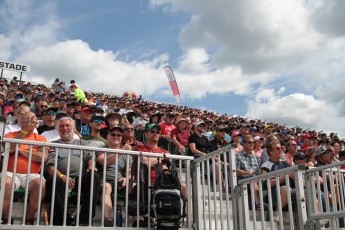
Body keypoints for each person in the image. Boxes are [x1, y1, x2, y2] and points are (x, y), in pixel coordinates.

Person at [44, 116, 101, 226]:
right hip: (61, 178)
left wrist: (91, 167)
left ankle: (85, 220)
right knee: (53, 180)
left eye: (67, 125)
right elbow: (49, 166)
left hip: (81, 179)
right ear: (57, 129)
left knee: (95, 177)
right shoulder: (53, 144)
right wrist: (61, 176)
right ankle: (64, 219)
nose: (65, 128)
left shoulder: (83, 143)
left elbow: (90, 158)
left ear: (73, 128)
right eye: (61, 126)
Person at [1, 112, 49, 225]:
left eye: (31, 119)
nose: (28, 121)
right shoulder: (10, 135)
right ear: (20, 121)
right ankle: (6, 219)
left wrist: (21, 150)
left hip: (32, 175)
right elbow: (10, 149)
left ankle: (28, 219)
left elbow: (42, 157)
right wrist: (24, 132)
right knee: (6, 182)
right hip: (10, 173)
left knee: (41, 184)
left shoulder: (40, 138)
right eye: (26, 119)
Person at [96, 126, 132, 227]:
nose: (116, 137)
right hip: (103, 180)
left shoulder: (126, 153)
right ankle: (107, 219)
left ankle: (140, 219)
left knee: (135, 185)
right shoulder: (102, 149)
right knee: (107, 187)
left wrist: (127, 177)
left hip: (119, 181)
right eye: (113, 134)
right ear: (107, 136)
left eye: (119, 135)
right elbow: (103, 162)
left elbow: (130, 171)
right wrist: (121, 151)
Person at [261, 140, 297, 221]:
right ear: (270, 151)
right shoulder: (266, 166)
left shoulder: (285, 163)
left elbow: (294, 179)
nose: (281, 150)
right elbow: (267, 184)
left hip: (289, 189)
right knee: (286, 189)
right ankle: (277, 213)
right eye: (277, 148)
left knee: (309, 191)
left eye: (281, 148)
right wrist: (283, 177)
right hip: (273, 191)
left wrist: (294, 177)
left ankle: (317, 217)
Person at [235, 134, 262, 210]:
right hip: (241, 179)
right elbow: (235, 171)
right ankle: (258, 203)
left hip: (255, 178)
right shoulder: (237, 155)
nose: (252, 144)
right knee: (252, 177)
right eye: (249, 142)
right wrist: (249, 173)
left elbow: (259, 171)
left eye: (253, 142)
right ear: (243, 143)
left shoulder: (256, 157)